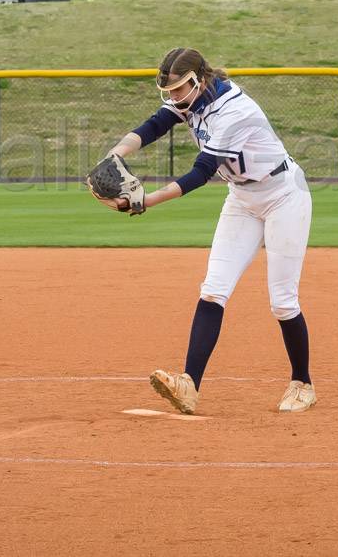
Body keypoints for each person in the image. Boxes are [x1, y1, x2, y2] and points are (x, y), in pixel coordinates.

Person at [104, 47, 316, 415]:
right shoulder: (192, 99)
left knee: (283, 301)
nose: (173, 98)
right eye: (168, 91)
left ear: (199, 80)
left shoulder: (235, 111)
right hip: (242, 197)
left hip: (284, 195)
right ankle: (189, 385)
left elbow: (201, 173)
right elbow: (152, 126)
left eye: (178, 90)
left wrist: (144, 201)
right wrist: (115, 154)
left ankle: (303, 383)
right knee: (213, 290)